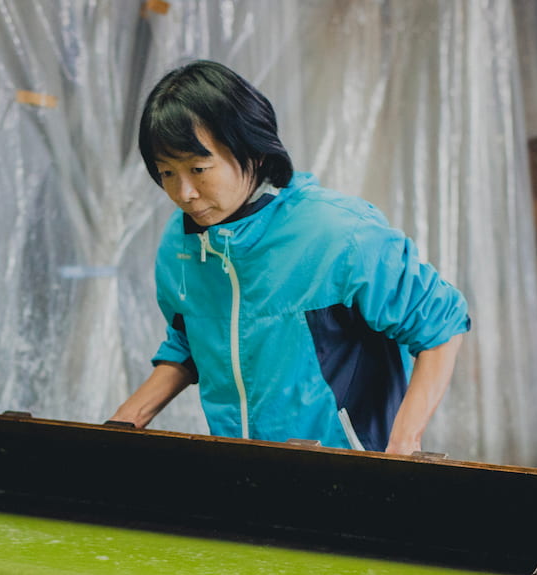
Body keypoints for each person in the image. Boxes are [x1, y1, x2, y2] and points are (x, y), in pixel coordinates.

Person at [109, 61, 468, 455]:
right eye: (166, 173)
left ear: (254, 151)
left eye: (198, 169)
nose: (185, 193)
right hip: (243, 473)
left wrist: (402, 448)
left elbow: (440, 325)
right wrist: (124, 422)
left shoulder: (339, 233)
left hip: (347, 475)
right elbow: (190, 341)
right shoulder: (182, 245)